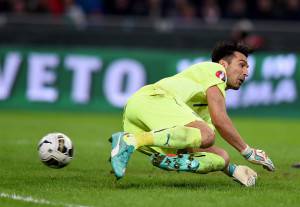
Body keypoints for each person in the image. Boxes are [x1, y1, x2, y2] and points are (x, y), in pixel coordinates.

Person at [109, 41, 275, 187]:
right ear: (223, 64)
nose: (246, 72)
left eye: (247, 68)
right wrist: (247, 151)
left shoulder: (202, 107)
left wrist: (232, 170)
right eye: (242, 65)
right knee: (207, 134)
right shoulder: (216, 70)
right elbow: (220, 120)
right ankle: (131, 141)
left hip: (139, 120)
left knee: (220, 157)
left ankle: (154, 152)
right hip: (151, 99)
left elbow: (196, 144)